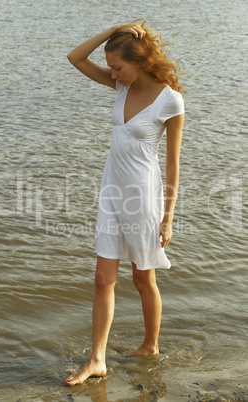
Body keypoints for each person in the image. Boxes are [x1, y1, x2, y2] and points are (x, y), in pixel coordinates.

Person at [65, 19, 184, 386]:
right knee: (103, 278)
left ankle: (150, 345)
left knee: (142, 277)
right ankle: (97, 359)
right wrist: (113, 30)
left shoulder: (170, 100)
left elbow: (172, 165)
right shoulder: (120, 86)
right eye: (112, 67)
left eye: (118, 66)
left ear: (141, 60)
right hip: (111, 192)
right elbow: (75, 57)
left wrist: (168, 218)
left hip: (143, 197)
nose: (113, 73)